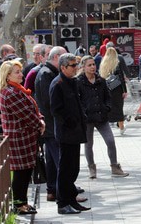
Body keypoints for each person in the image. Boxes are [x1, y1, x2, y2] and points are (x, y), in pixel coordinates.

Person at [35, 46, 86, 203]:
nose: (75, 67)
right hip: (55, 126)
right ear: (57, 58)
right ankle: (66, 194)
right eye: (71, 64)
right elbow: (51, 104)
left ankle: (53, 190)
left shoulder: (53, 74)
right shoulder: (47, 75)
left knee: (53, 161)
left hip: (56, 126)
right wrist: (67, 120)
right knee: (63, 164)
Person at [0, 60, 45, 215]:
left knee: (25, 171)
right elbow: (26, 114)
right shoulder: (10, 93)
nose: (21, 74)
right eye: (17, 72)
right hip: (19, 137)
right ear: (8, 75)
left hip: (25, 136)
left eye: (20, 71)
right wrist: (39, 123)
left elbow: (32, 109)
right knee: (21, 172)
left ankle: (22, 202)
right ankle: (18, 204)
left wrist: (40, 119)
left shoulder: (17, 89)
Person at [50, 53, 90, 214]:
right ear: (63, 67)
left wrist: (82, 119)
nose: (76, 68)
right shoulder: (57, 84)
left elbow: (78, 103)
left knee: (74, 168)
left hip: (76, 132)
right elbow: (56, 110)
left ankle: (72, 200)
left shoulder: (73, 81)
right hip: (66, 133)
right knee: (65, 169)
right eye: (73, 66)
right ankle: (63, 203)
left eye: (76, 65)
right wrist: (70, 122)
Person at [77, 55, 129, 178]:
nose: (92, 67)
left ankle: (115, 167)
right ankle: (92, 168)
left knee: (110, 140)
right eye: (89, 65)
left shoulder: (101, 80)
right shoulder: (79, 82)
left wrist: (107, 108)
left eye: (94, 64)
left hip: (101, 116)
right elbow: (77, 100)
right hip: (87, 118)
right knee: (88, 144)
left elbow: (108, 97)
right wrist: (83, 112)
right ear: (83, 67)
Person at [99, 47, 128, 135]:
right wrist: (124, 90)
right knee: (119, 108)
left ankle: (107, 128)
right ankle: (121, 127)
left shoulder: (103, 62)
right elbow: (121, 77)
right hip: (117, 89)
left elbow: (101, 76)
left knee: (108, 108)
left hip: (106, 88)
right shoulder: (116, 62)